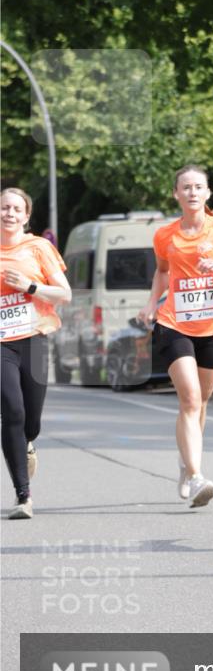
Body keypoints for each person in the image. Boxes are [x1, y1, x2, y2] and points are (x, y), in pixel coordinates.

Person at [138, 165, 213, 508]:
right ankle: (197, 475)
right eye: (186, 187)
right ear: (176, 194)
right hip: (175, 324)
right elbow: (162, 272)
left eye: (198, 187)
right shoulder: (165, 235)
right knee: (189, 400)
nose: (192, 192)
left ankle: (186, 463)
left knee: (201, 403)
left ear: (207, 193)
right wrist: (151, 303)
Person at [1, 187, 72, 519]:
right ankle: (23, 495)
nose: (10, 214)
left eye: (17, 209)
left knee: (31, 420)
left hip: (34, 338)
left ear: (26, 216)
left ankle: (28, 442)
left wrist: (29, 286)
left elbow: (64, 294)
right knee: (12, 411)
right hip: (2, 343)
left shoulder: (39, 247)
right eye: (4, 208)